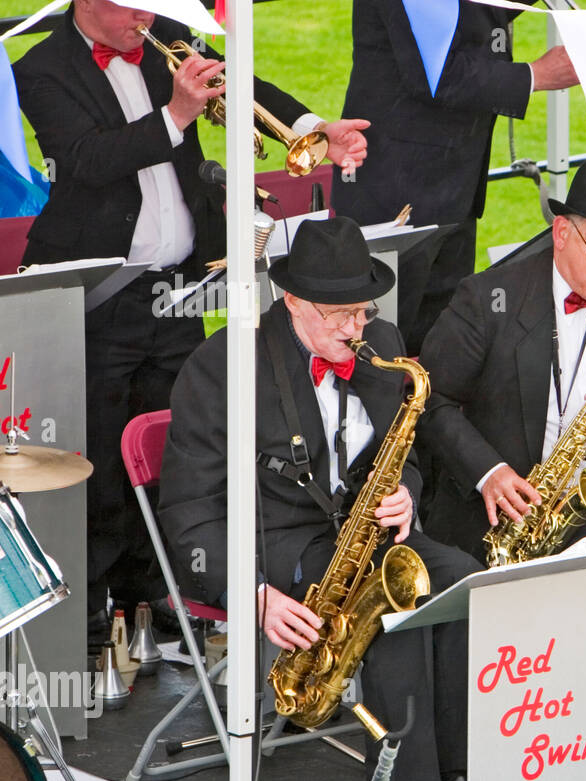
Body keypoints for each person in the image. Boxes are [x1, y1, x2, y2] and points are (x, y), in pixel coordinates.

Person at [14, 0, 371, 646]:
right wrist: (176, 115)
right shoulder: (40, 67)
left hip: (180, 289)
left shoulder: (163, 39)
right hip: (98, 295)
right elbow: (88, 159)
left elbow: (244, 83)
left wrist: (313, 126)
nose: (147, 18)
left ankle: (166, 589)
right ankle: (96, 611)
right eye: (134, 7)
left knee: (183, 448)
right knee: (96, 454)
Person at [159, 217, 480, 781]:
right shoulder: (223, 364)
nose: (356, 330)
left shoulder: (380, 341)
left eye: (362, 312)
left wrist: (406, 494)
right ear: (293, 301)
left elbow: (406, 450)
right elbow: (189, 511)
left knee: (463, 581)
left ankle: (459, 769)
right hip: (274, 539)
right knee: (381, 598)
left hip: (361, 532)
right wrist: (252, 594)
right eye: (338, 316)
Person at [419, 157, 586, 697]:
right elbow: (432, 402)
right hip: (526, 503)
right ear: (562, 231)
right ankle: (584, 751)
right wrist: (489, 472)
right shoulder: (487, 299)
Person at [332, 0, 580, 354]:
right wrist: (534, 75)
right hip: (397, 193)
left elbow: (475, 11)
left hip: (455, 186)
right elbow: (436, 72)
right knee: (377, 349)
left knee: (441, 350)